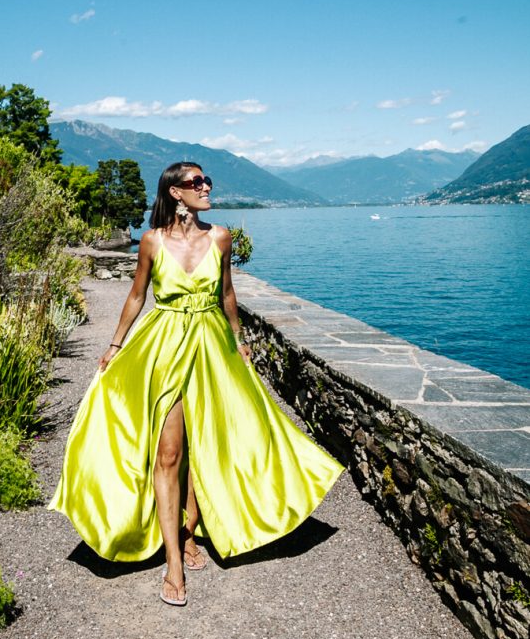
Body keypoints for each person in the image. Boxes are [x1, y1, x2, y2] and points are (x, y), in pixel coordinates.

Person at [49, 162, 343, 606]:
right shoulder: (151, 241)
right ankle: (173, 562)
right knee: (169, 452)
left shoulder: (220, 237)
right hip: (165, 345)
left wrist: (240, 342)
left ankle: (189, 531)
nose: (205, 187)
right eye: (195, 182)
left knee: (207, 443)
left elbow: (227, 294)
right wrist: (114, 344)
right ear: (174, 193)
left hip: (211, 346)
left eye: (207, 181)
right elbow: (136, 294)